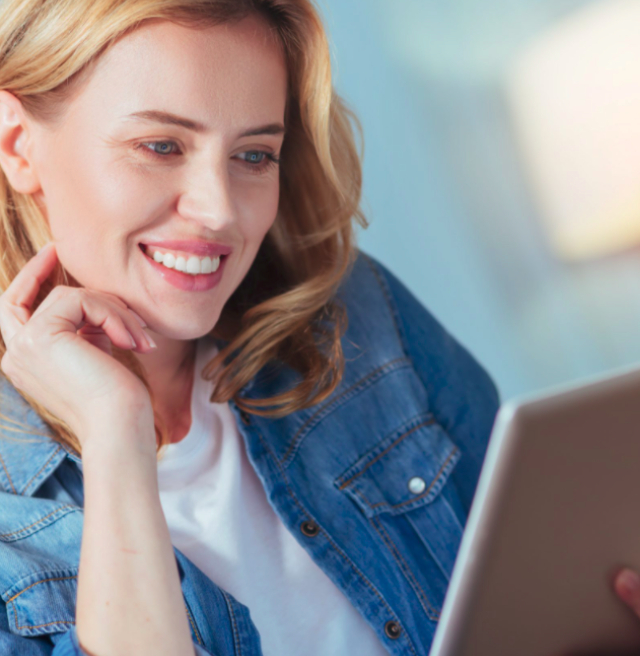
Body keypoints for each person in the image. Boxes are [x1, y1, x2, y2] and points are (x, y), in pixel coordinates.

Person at [0, 1, 632, 656]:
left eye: (253, 155)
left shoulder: (361, 321)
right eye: (161, 146)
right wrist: (115, 432)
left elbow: (549, 591)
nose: (219, 212)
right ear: (18, 143)